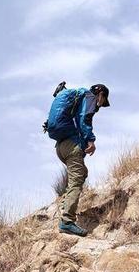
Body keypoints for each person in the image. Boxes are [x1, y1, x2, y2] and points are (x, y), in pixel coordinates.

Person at [44, 82, 111, 236]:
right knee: (76, 181)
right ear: (100, 94)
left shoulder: (77, 98)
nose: (100, 105)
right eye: (103, 100)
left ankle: (66, 204)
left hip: (61, 147)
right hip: (71, 146)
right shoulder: (89, 97)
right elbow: (84, 119)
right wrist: (91, 140)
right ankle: (67, 221)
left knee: (81, 174)